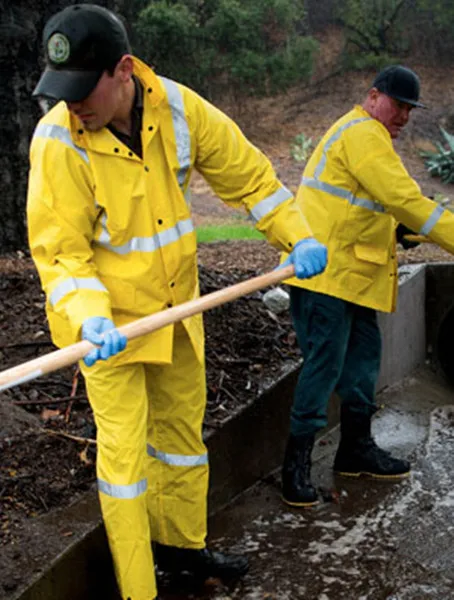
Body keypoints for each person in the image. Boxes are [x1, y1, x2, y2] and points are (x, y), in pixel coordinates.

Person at [27, 4, 327, 599]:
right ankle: (141, 589)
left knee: (182, 446)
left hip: (176, 315)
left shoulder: (181, 110)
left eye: (85, 88)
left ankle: (183, 553)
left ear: (125, 70)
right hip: (105, 331)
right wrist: (90, 315)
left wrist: (298, 235)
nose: (73, 103)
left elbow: (251, 179)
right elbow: (61, 252)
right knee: (125, 468)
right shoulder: (60, 140)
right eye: (64, 90)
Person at [281, 64, 454, 508]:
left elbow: (373, 208)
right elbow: (403, 199)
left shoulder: (368, 139)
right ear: (374, 96)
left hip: (353, 279)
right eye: (399, 106)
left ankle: (355, 450)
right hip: (328, 277)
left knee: (361, 366)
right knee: (324, 367)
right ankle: (294, 468)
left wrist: (400, 231)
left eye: (410, 110)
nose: (404, 117)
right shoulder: (362, 133)